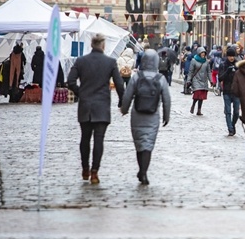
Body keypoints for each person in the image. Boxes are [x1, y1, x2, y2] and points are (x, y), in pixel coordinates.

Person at [66, 33, 124, 184]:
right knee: (99, 140)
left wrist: (81, 92)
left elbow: (70, 81)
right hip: (102, 106)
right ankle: (94, 172)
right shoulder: (110, 62)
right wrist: (122, 102)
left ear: (91, 45)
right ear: (103, 46)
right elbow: (119, 84)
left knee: (85, 138)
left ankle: (85, 168)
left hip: (85, 105)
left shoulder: (81, 61)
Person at [120, 49, 171, 185]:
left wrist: (124, 110)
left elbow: (127, 95)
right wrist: (166, 116)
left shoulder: (137, 77)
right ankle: (144, 172)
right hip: (153, 115)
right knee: (148, 144)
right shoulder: (161, 79)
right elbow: (166, 99)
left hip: (137, 114)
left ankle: (141, 170)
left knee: (139, 143)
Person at [218, 46, 240, 136]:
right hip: (227, 91)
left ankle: (232, 124)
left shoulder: (238, 64)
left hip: (236, 91)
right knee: (228, 111)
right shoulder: (223, 64)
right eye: (230, 56)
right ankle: (230, 129)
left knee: (236, 112)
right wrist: (227, 71)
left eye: (233, 56)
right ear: (227, 56)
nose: (231, 57)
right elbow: (220, 78)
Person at [187, 46, 211, 116]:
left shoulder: (206, 61)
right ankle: (193, 105)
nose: (203, 54)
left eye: (204, 53)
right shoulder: (194, 60)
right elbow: (191, 72)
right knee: (197, 94)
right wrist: (188, 80)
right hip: (196, 79)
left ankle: (199, 110)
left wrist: (211, 81)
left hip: (204, 80)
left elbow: (209, 71)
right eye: (202, 53)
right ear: (199, 53)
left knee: (202, 96)